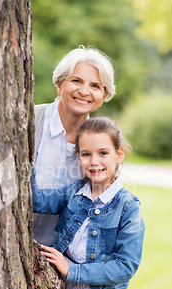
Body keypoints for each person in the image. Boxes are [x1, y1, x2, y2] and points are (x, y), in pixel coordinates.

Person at [32, 117, 145, 289]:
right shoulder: (75, 192)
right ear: (79, 157)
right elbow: (38, 201)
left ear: (119, 155)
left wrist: (72, 270)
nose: (94, 161)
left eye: (103, 153)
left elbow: (125, 266)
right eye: (86, 154)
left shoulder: (127, 206)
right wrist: (28, 163)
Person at [33, 45, 116, 245]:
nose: (84, 91)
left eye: (95, 86)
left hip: (60, 260)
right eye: (76, 81)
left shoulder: (103, 143)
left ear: (104, 95)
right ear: (60, 84)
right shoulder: (28, 119)